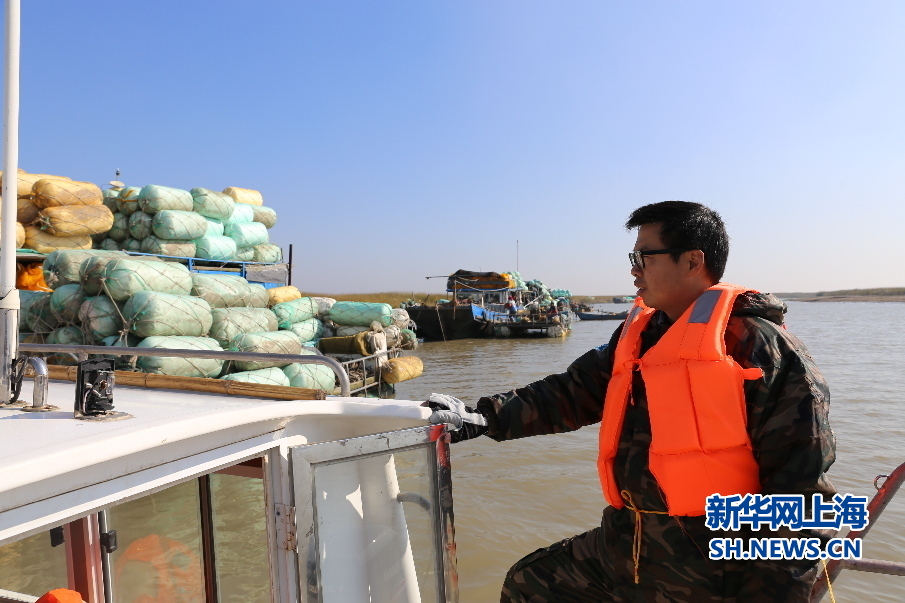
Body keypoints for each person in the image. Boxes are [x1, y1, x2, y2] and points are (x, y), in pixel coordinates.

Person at [424, 201, 835, 602]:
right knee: (530, 584)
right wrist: (482, 418)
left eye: (644, 257)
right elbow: (571, 391)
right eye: (632, 257)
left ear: (693, 261)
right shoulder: (640, 336)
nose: (634, 269)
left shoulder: (760, 348)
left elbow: (800, 493)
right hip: (628, 544)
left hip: (714, 566)